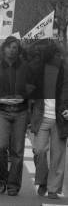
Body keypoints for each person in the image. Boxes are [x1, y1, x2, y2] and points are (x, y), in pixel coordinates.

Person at [0, 36, 35, 196]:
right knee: (1, 147)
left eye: (15, 47)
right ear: (4, 49)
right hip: (2, 110)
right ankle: (1, 181)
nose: (12, 49)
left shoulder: (25, 66)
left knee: (17, 150)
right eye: (9, 46)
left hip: (20, 111)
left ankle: (13, 185)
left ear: (18, 50)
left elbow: (32, 84)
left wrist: (23, 95)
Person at [30, 40, 68, 200]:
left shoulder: (64, 67)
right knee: (38, 150)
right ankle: (43, 180)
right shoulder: (37, 68)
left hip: (61, 116)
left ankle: (53, 189)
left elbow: (66, 89)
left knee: (58, 156)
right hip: (42, 116)